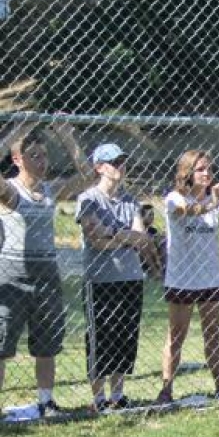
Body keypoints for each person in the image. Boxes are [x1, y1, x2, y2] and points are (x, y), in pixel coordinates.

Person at [0, 123, 86, 416]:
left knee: (47, 344)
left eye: (44, 155)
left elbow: (87, 175)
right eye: (34, 155)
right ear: (17, 160)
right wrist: (16, 132)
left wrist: (67, 135)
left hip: (47, 276)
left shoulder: (50, 190)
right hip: (13, 276)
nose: (42, 161)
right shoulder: (10, 191)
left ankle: (46, 402)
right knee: (2, 345)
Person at [76, 143, 162, 410]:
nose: (119, 167)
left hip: (130, 277)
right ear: (99, 167)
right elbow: (94, 238)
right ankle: (98, 398)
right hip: (101, 279)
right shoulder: (88, 198)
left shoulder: (130, 201)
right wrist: (123, 237)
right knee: (101, 336)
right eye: (113, 162)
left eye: (122, 162)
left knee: (125, 336)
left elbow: (140, 239)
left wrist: (112, 235)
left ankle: (118, 395)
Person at [158, 150, 219, 403]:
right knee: (176, 337)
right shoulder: (174, 198)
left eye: (208, 168)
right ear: (187, 172)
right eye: (200, 169)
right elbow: (187, 211)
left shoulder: (215, 200)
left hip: (210, 279)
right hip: (182, 279)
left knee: (213, 336)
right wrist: (213, 203)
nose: (206, 173)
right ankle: (166, 390)